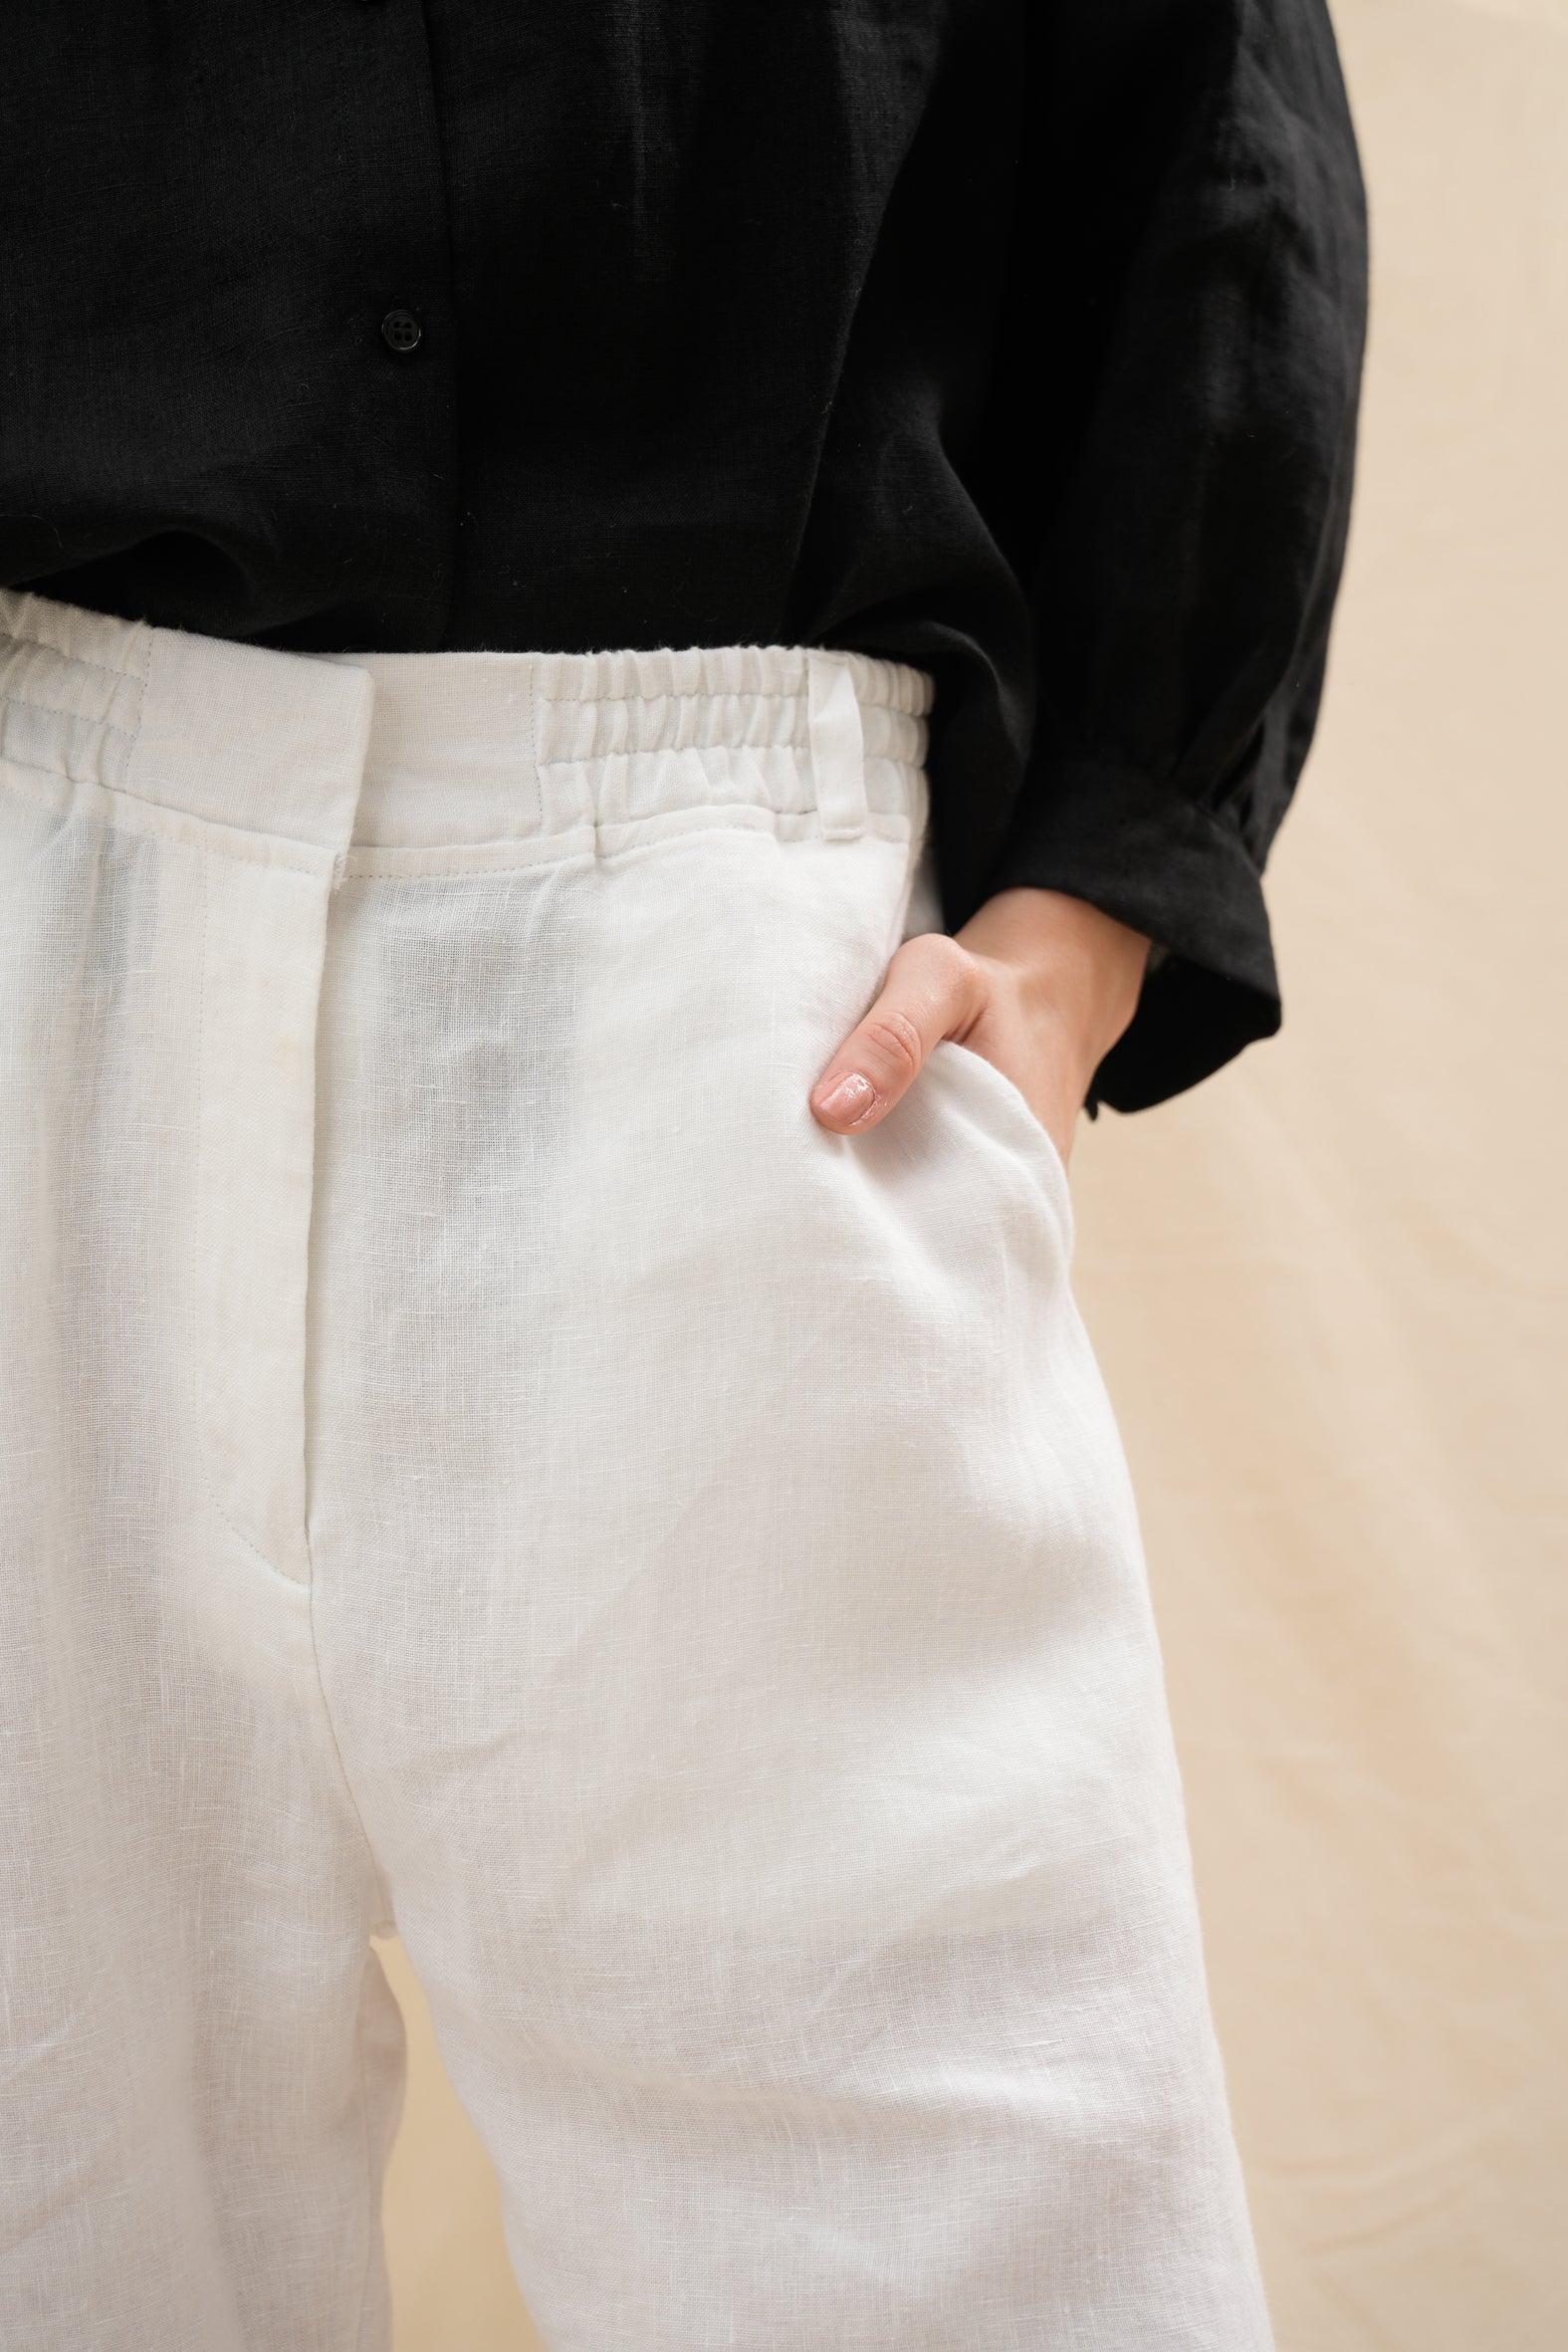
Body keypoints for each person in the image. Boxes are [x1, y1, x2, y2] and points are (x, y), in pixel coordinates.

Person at [0, 3, 1366, 2347]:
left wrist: (1093, 893)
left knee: (957, 2234)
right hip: (39, 891)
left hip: (742, 1007)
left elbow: (1204, 110)